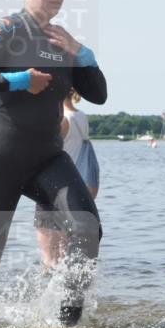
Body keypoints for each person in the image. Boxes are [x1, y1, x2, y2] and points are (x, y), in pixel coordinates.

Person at [0, 0, 107, 327]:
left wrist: (81, 53)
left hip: (46, 158)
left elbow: (99, 94)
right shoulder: (7, 29)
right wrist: (20, 79)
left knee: (87, 228)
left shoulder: (62, 41)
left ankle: (67, 327)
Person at [35, 89, 99, 267]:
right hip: (78, 185)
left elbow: (45, 150)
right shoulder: (82, 116)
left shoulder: (64, 120)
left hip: (56, 185)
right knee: (66, 248)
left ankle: (48, 291)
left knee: (49, 256)